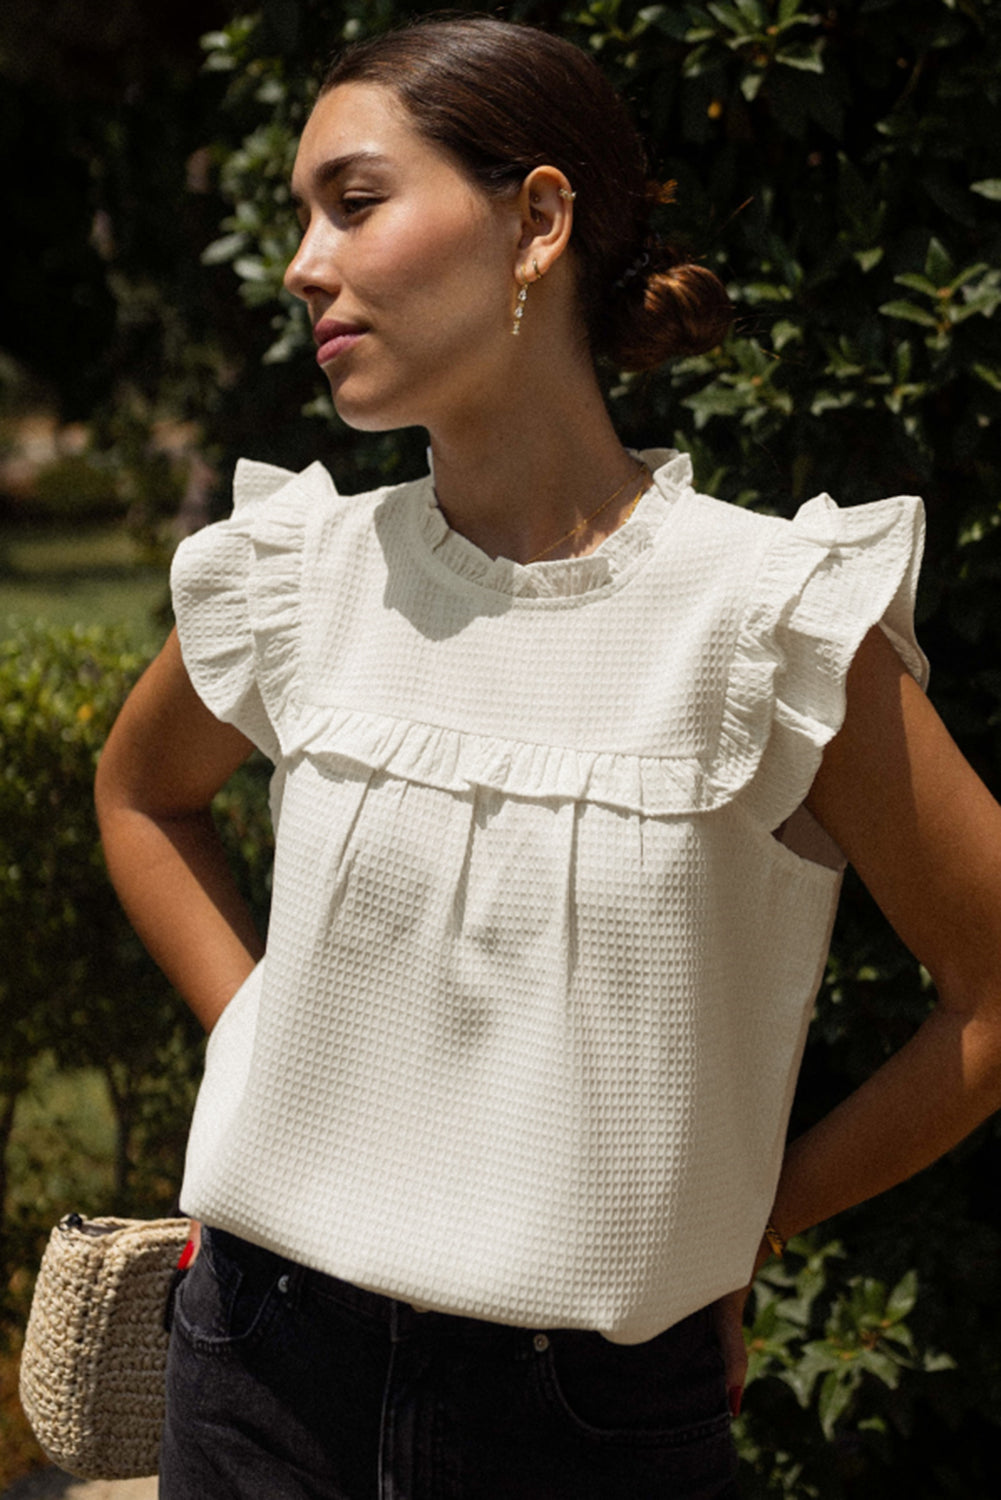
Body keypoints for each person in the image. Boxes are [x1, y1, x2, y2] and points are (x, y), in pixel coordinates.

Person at [94, 16, 1001, 1500]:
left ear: (535, 221)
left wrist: (744, 1220)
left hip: (583, 1425)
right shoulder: (296, 576)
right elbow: (140, 797)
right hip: (255, 1370)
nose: (304, 265)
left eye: (355, 201)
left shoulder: (768, 617)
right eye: (300, 219)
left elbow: (990, 983)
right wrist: (262, 1033)